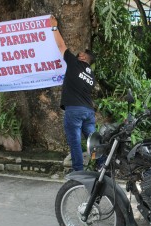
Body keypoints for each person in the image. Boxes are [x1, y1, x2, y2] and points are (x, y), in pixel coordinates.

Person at [50, 15, 97, 171]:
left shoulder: (75, 63)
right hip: (88, 111)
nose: (79, 53)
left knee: (75, 141)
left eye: (81, 53)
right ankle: (101, 165)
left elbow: (61, 45)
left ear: (83, 57)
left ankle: (78, 170)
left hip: (75, 111)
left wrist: (54, 26)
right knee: (93, 141)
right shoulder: (92, 77)